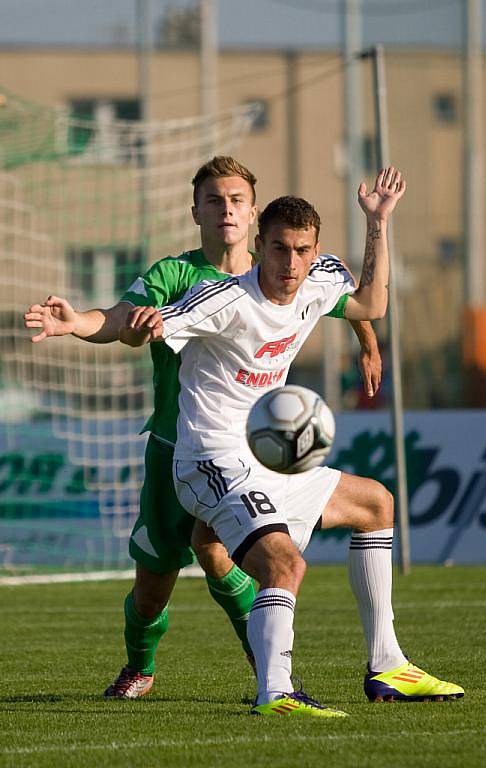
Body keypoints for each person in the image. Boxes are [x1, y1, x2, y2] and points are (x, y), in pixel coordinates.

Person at [23, 156, 382, 700]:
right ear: (196, 211)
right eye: (214, 200)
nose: (225, 210)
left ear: (254, 215)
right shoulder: (178, 277)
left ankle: (271, 677)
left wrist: (368, 342)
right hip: (179, 448)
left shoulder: (286, 270)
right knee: (153, 587)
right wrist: (77, 324)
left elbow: (346, 299)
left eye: (236, 200)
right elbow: (122, 318)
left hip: (250, 454)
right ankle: (140, 667)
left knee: (229, 557)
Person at [122, 167, 464, 717]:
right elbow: (143, 323)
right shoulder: (221, 298)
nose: (289, 263)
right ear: (259, 247)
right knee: (268, 567)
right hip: (203, 459)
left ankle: (388, 667)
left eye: (300, 251)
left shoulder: (320, 278)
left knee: (375, 503)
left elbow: (369, 305)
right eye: (278, 250)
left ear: (314, 252)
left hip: (261, 460)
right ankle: (273, 691)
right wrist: (94, 324)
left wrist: (377, 223)